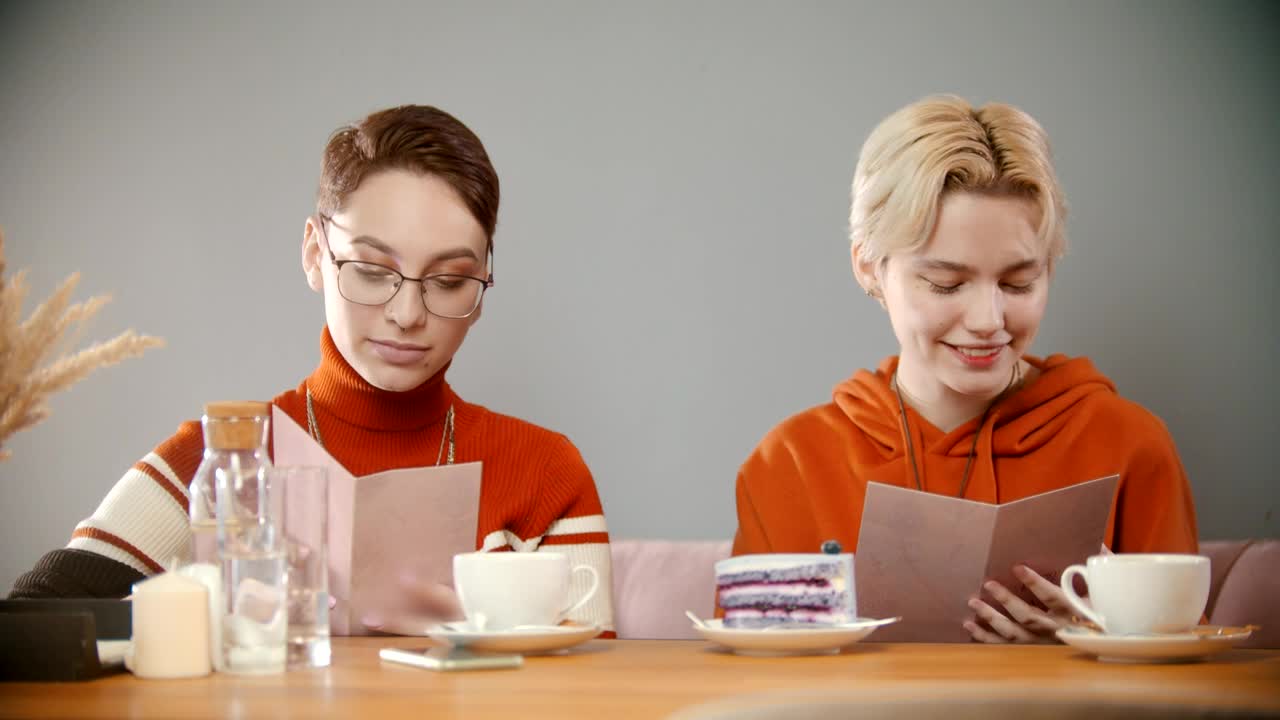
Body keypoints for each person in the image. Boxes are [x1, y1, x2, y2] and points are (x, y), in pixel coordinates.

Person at [10, 105, 615, 636]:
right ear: (314, 255)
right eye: (373, 270)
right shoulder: (218, 457)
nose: (407, 314)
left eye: (450, 280)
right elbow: (36, 619)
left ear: (482, 288)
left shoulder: (544, 472)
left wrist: (486, 634)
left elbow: (598, 695)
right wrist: (203, 615)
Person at [729, 95, 1197, 643]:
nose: (987, 320)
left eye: (1020, 282)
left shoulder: (1129, 446)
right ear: (869, 268)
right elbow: (754, 691)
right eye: (946, 284)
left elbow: (1190, 683)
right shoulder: (789, 465)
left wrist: (1102, 646)